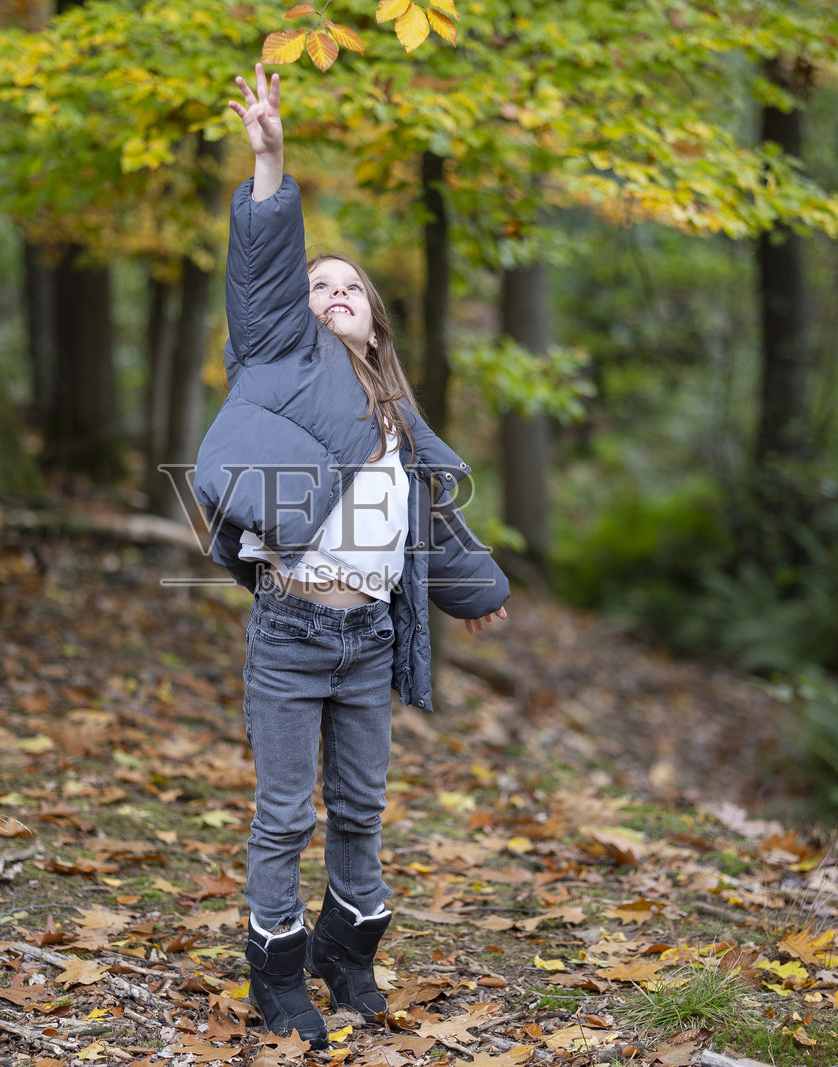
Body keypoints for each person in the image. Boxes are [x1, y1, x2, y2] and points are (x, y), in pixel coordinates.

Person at [192, 63, 511, 1047]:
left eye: (349, 288)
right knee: (285, 814)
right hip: (291, 631)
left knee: (363, 807)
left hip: (366, 641)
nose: (330, 293)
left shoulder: (395, 418)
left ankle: (348, 949)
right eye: (316, 286)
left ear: (374, 316)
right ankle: (276, 974)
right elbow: (262, 262)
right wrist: (270, 155)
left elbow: (427, 524)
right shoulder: (278, 357)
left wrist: (475, 589)